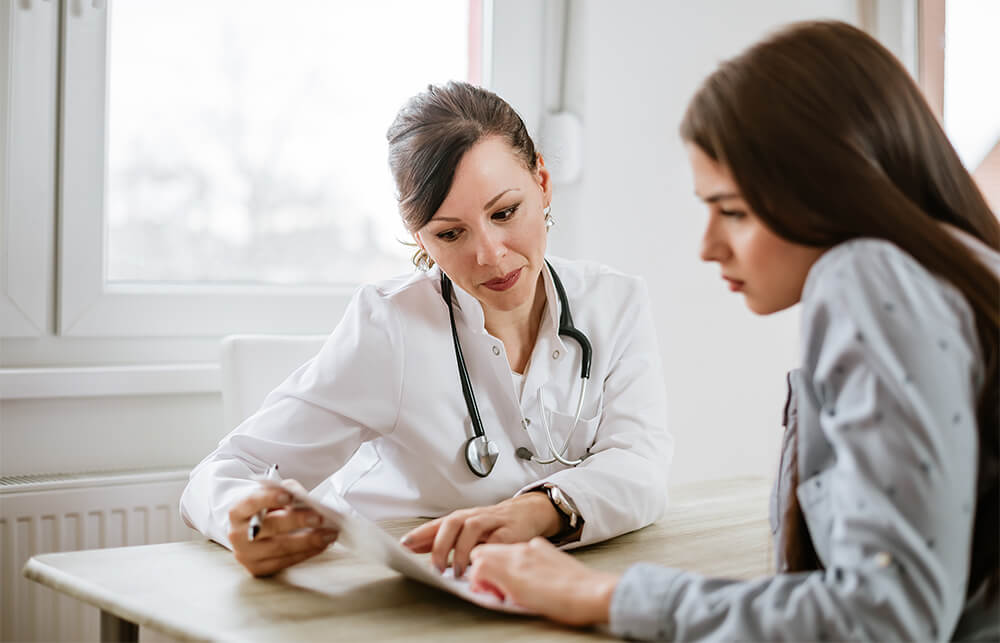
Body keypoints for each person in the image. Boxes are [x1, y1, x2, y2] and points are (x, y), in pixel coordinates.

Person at [465, 20, 1000, 641]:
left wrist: (606, 595)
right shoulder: (964, 268)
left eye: (734, 211)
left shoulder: (866, 275)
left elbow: (885, 617)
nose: (709, 247)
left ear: (836, 188)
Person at [180, 81, 673, 578]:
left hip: (541, 588)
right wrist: (240, 521)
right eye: (449, 233)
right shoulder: (389, 325)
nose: (490, 254)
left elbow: (642, 466)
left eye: (505, 212)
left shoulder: (615, 303)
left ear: (542, 181)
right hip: (396, 590)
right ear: (419, 235)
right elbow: (224, 472)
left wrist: (539, 510)